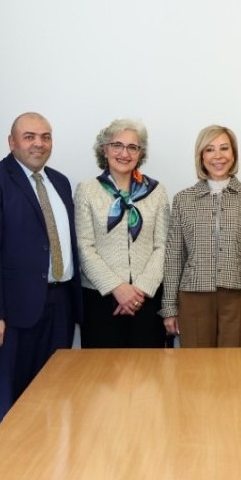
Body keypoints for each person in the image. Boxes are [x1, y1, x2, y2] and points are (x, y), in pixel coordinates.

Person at [0, 112, 81, 422]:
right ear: (12, 141)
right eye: (29, 136)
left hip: (60, 306)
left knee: (52, 397)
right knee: (10, 401)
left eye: (46, 137)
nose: (38, 144)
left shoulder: (59, 182)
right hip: (11, 314)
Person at [161, 125, 241, 347]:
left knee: (234, 364)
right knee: (196, 364)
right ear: (201, 157)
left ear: (234, 154)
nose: (218, 156)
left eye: (224, 148)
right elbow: (174, 258)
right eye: (209, 149)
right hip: (193, 296)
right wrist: (169, 307)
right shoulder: (183, 199)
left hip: (238, 295)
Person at [74, 119, 170, 348]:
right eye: (117, 145)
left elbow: (163, 246)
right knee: (101, 369)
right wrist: (117, 288)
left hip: (146, 299)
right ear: (104, 149)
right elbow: (84, 247)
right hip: (101, 298)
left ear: (140, 153)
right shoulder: (86, 190)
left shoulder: (157, 192)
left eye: (132, 147)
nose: (124, 153)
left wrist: (141, 290)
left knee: (148, 368)